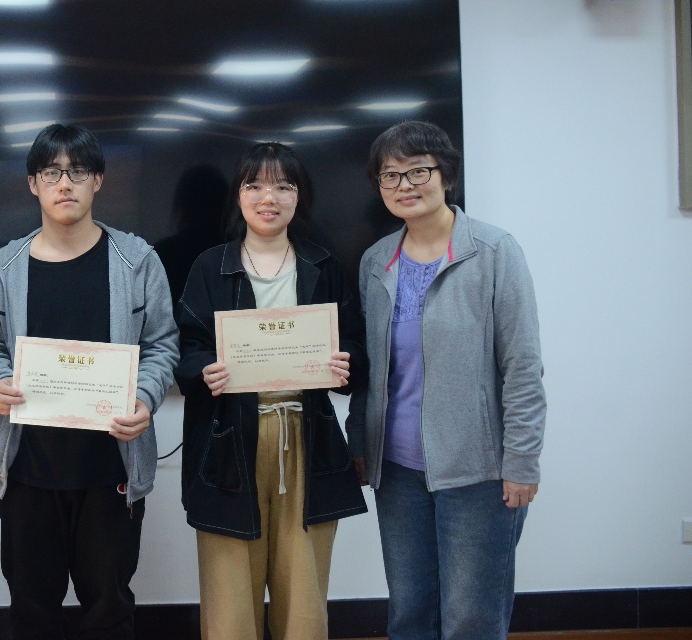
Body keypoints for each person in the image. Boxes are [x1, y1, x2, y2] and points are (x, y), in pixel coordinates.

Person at [0, 123, 179, 640]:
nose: (65, 183)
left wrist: (145, 399)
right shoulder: (4, 268)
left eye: (78, 171)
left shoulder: (137, 262)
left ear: (98, 180)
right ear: (33, 184)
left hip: (110, 470)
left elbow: (162, 345)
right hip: (28, 470)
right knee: (31, 611)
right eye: (51, 172)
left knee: (109, 610)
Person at [347, 120, 545, 640]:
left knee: (470, 619)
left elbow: (523, 367)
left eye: (418, 171)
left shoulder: (494, 251)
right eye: (390, 175)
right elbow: (371, 367)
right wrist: (359, 441)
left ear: (447, 176)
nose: (404, 185)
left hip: (477, 471)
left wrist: (522, 461)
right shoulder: (376, 262)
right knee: (409, 613)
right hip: (397, 470)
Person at [175, 142, 367, 640]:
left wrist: (344, 363)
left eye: (284, 186)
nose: (269, 197)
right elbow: (185, 348)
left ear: (299, 197)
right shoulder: (210, 266)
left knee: (303, 594)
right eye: (255, 185)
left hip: (306, 439)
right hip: (227, 444)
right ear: (238, 196)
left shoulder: (323, 266)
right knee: (228, 597)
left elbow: (356, 347)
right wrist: (203, 371)